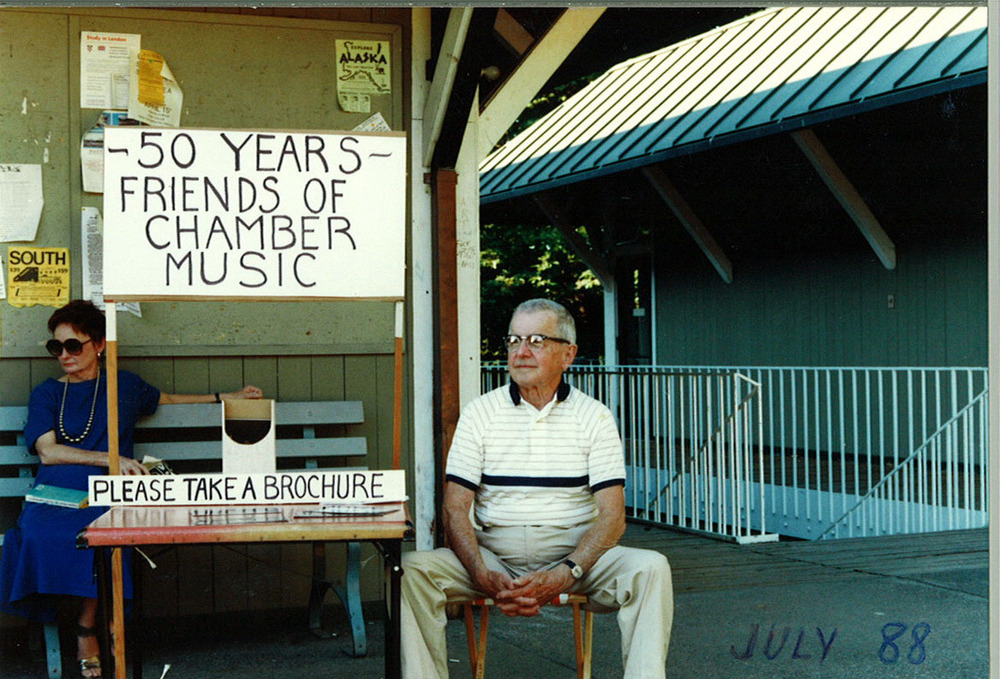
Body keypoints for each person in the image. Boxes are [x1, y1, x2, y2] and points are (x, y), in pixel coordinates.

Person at [401, 298, 673, 678]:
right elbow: (454, 508)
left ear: (568, 354)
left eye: (536, 341)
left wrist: (567, 572)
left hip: (575, 554)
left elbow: (612, 516)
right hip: (495, 554)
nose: (521, 352)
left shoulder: (594, 417)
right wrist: (480, 573)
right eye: (514, 340)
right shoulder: (481, 412)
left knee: (651, 569)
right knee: (414, 570)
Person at [0, 300, 263, 678]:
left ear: (100, 344)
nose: (64, 355)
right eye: (56, 347)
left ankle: (87, 626)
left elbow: (166, 401)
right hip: (59, 489)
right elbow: (49, 451)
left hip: (110, 490)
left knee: (106, 530)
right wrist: (110, 459)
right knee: (51, 532)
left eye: (74, 345)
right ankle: (100, 627)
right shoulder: (47, 393)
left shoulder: (122, 384)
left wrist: (224, 398)